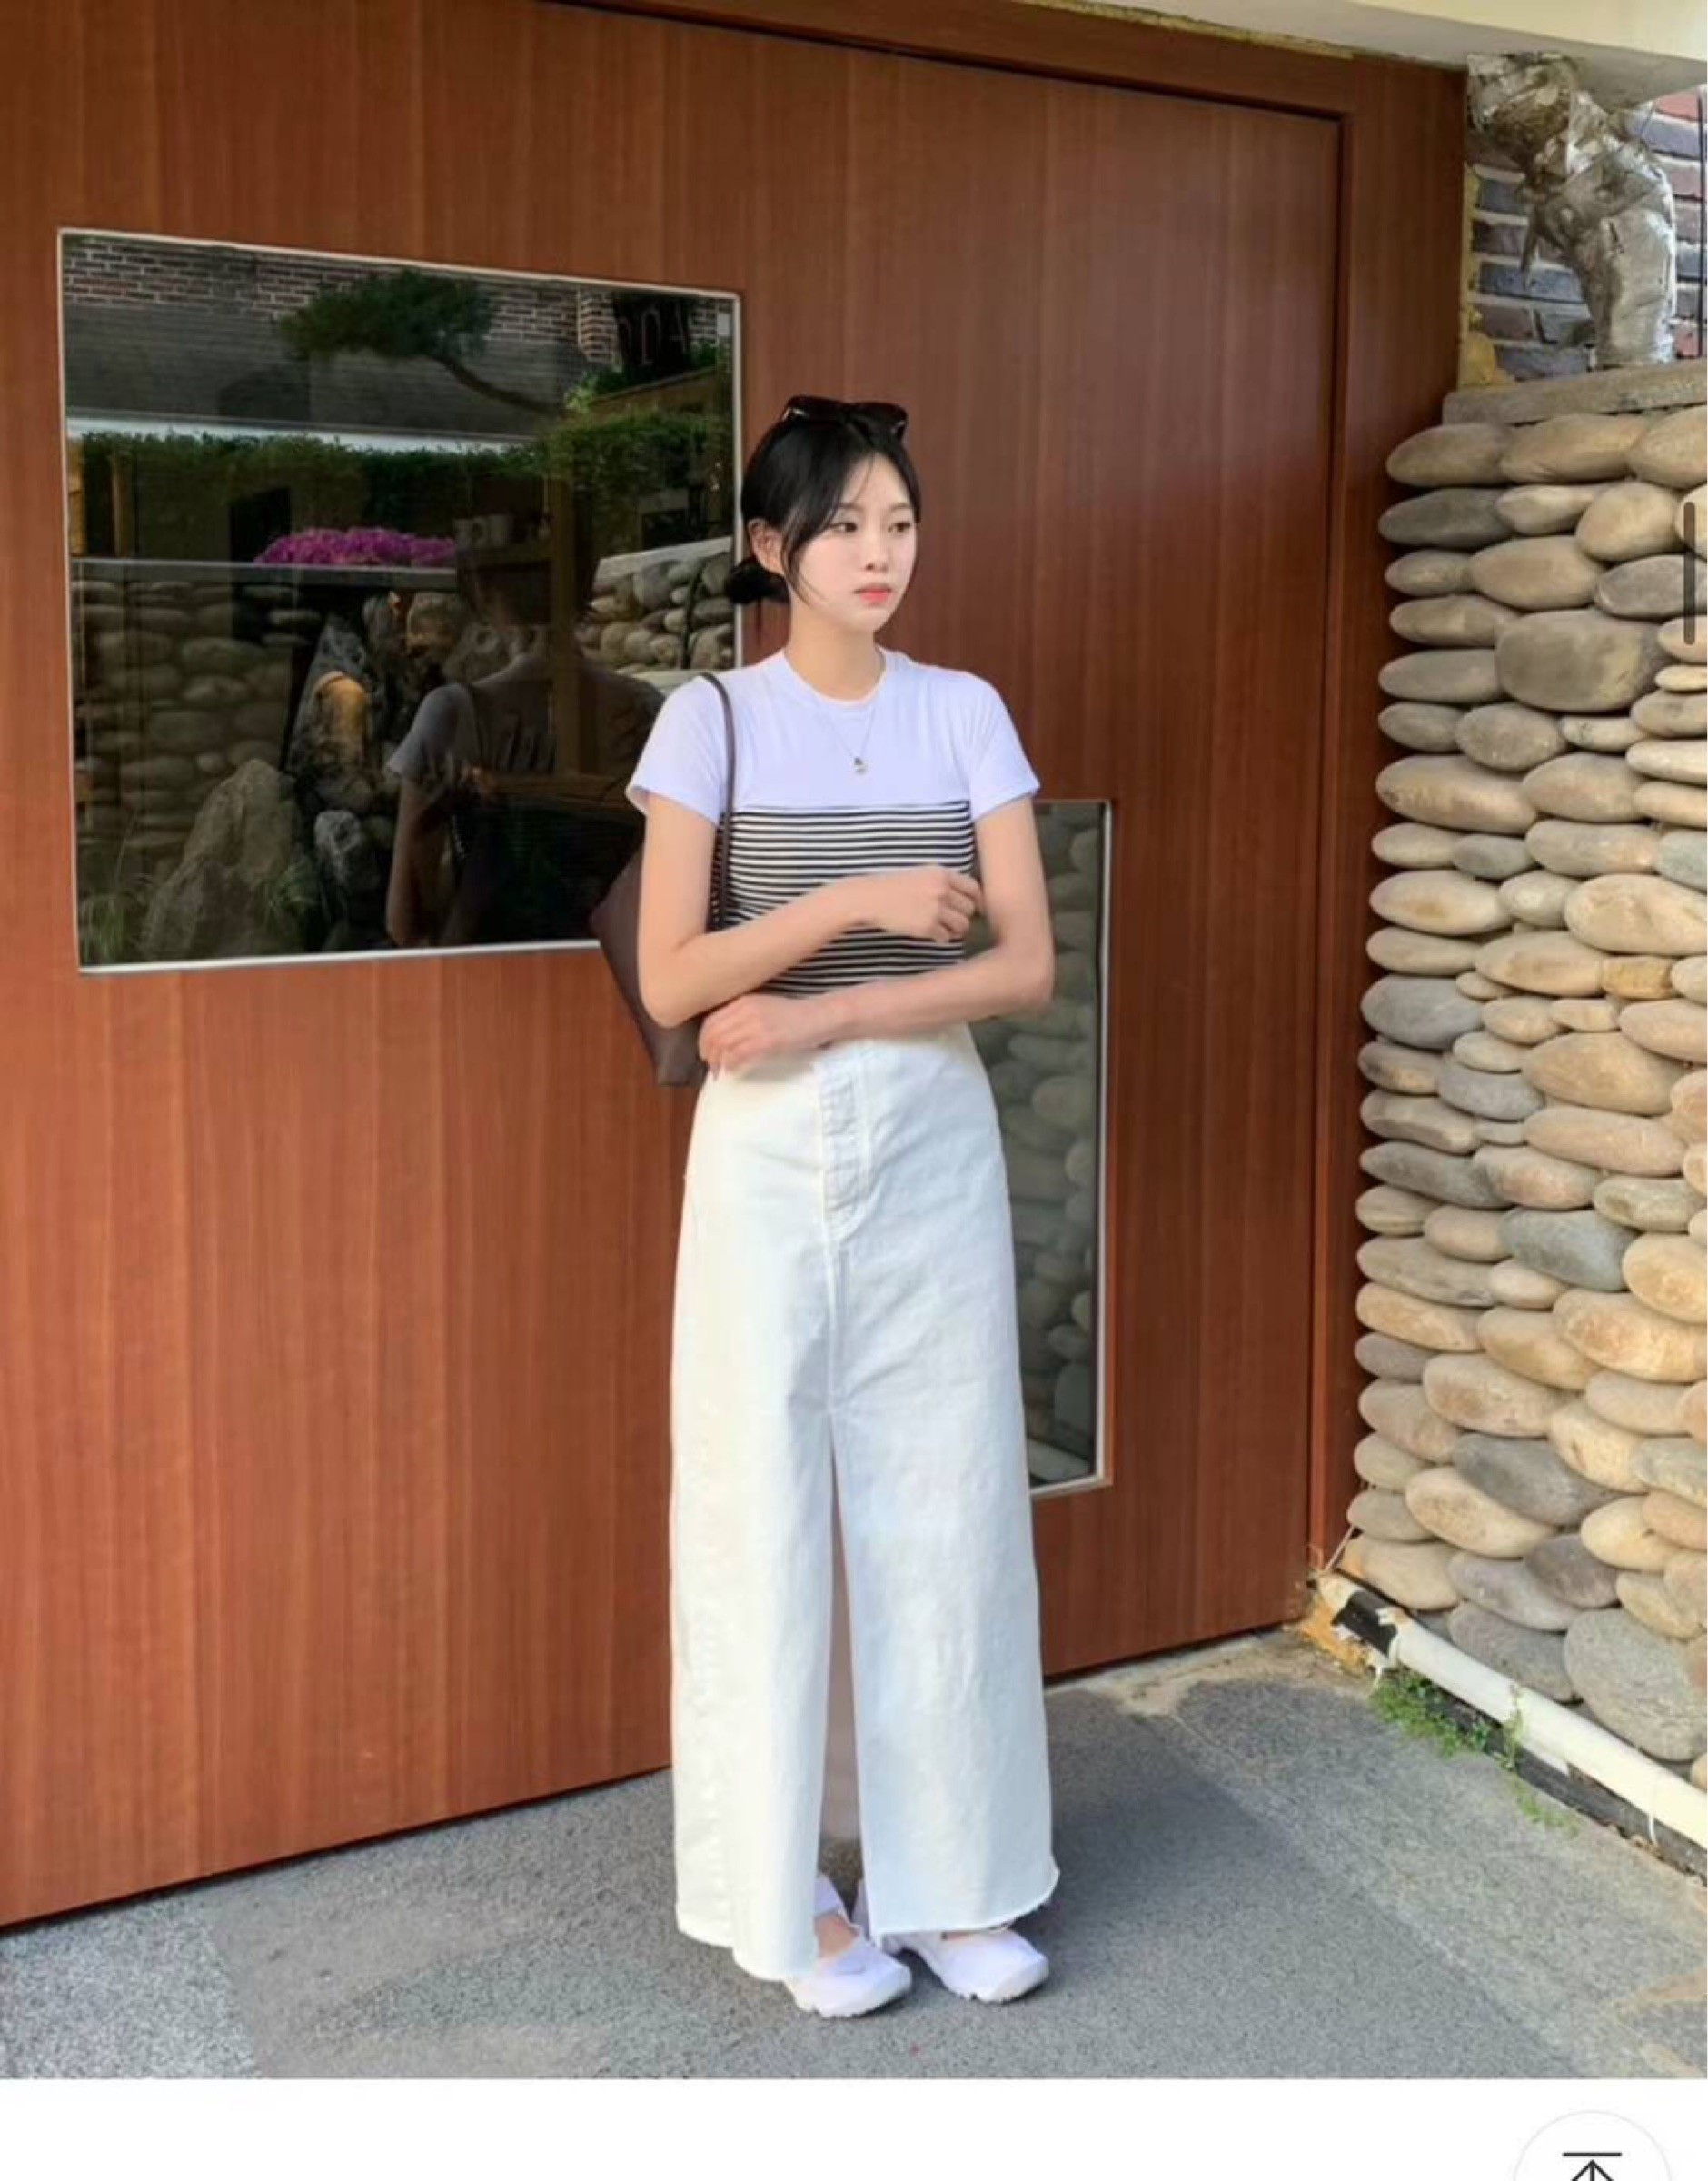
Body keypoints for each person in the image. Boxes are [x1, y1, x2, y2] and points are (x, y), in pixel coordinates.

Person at [624, 394, 1061, 2019]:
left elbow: (1024, 965)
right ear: (771, 548)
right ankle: (785, 1889)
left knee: (946, 1497)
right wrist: (861, 900)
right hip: (759, 1153)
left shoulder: (964, 712)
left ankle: (949, 1881)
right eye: (843, 528)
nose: (880, 555)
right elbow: (674, 975)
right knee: (759, 1501)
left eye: (900, 523)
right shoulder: (712, 725)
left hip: (931, 1129)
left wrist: (834, 1006)